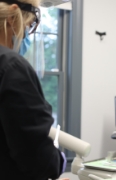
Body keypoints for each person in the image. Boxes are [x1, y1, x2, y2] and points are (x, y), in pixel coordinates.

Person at [0, 0, 66, 179]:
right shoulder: (11, 66)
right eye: (29, 26)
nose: (27, 36)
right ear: (13, 18)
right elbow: (39, 161)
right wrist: (58, 160)